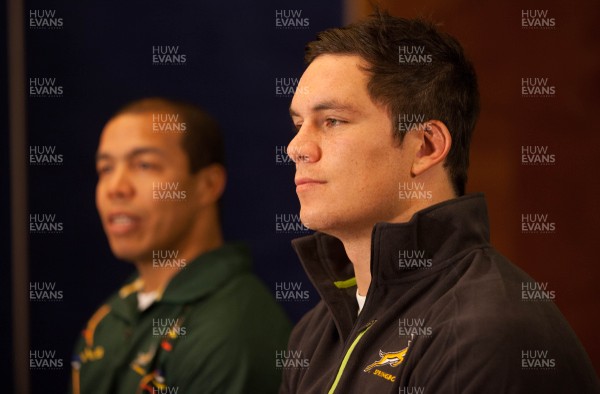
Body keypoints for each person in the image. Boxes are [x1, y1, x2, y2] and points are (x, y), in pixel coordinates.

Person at [280, 11, 599, 394]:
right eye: (299, 124)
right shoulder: (315, 333)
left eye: (332, 121)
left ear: (427, 146)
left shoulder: (484, 333)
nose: (296, 147)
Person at [70, 97, 291, 394]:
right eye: (105, 169)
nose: (116, 188)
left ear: (208, 184)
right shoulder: (109, 318)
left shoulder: (231, 331)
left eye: (144, 165)